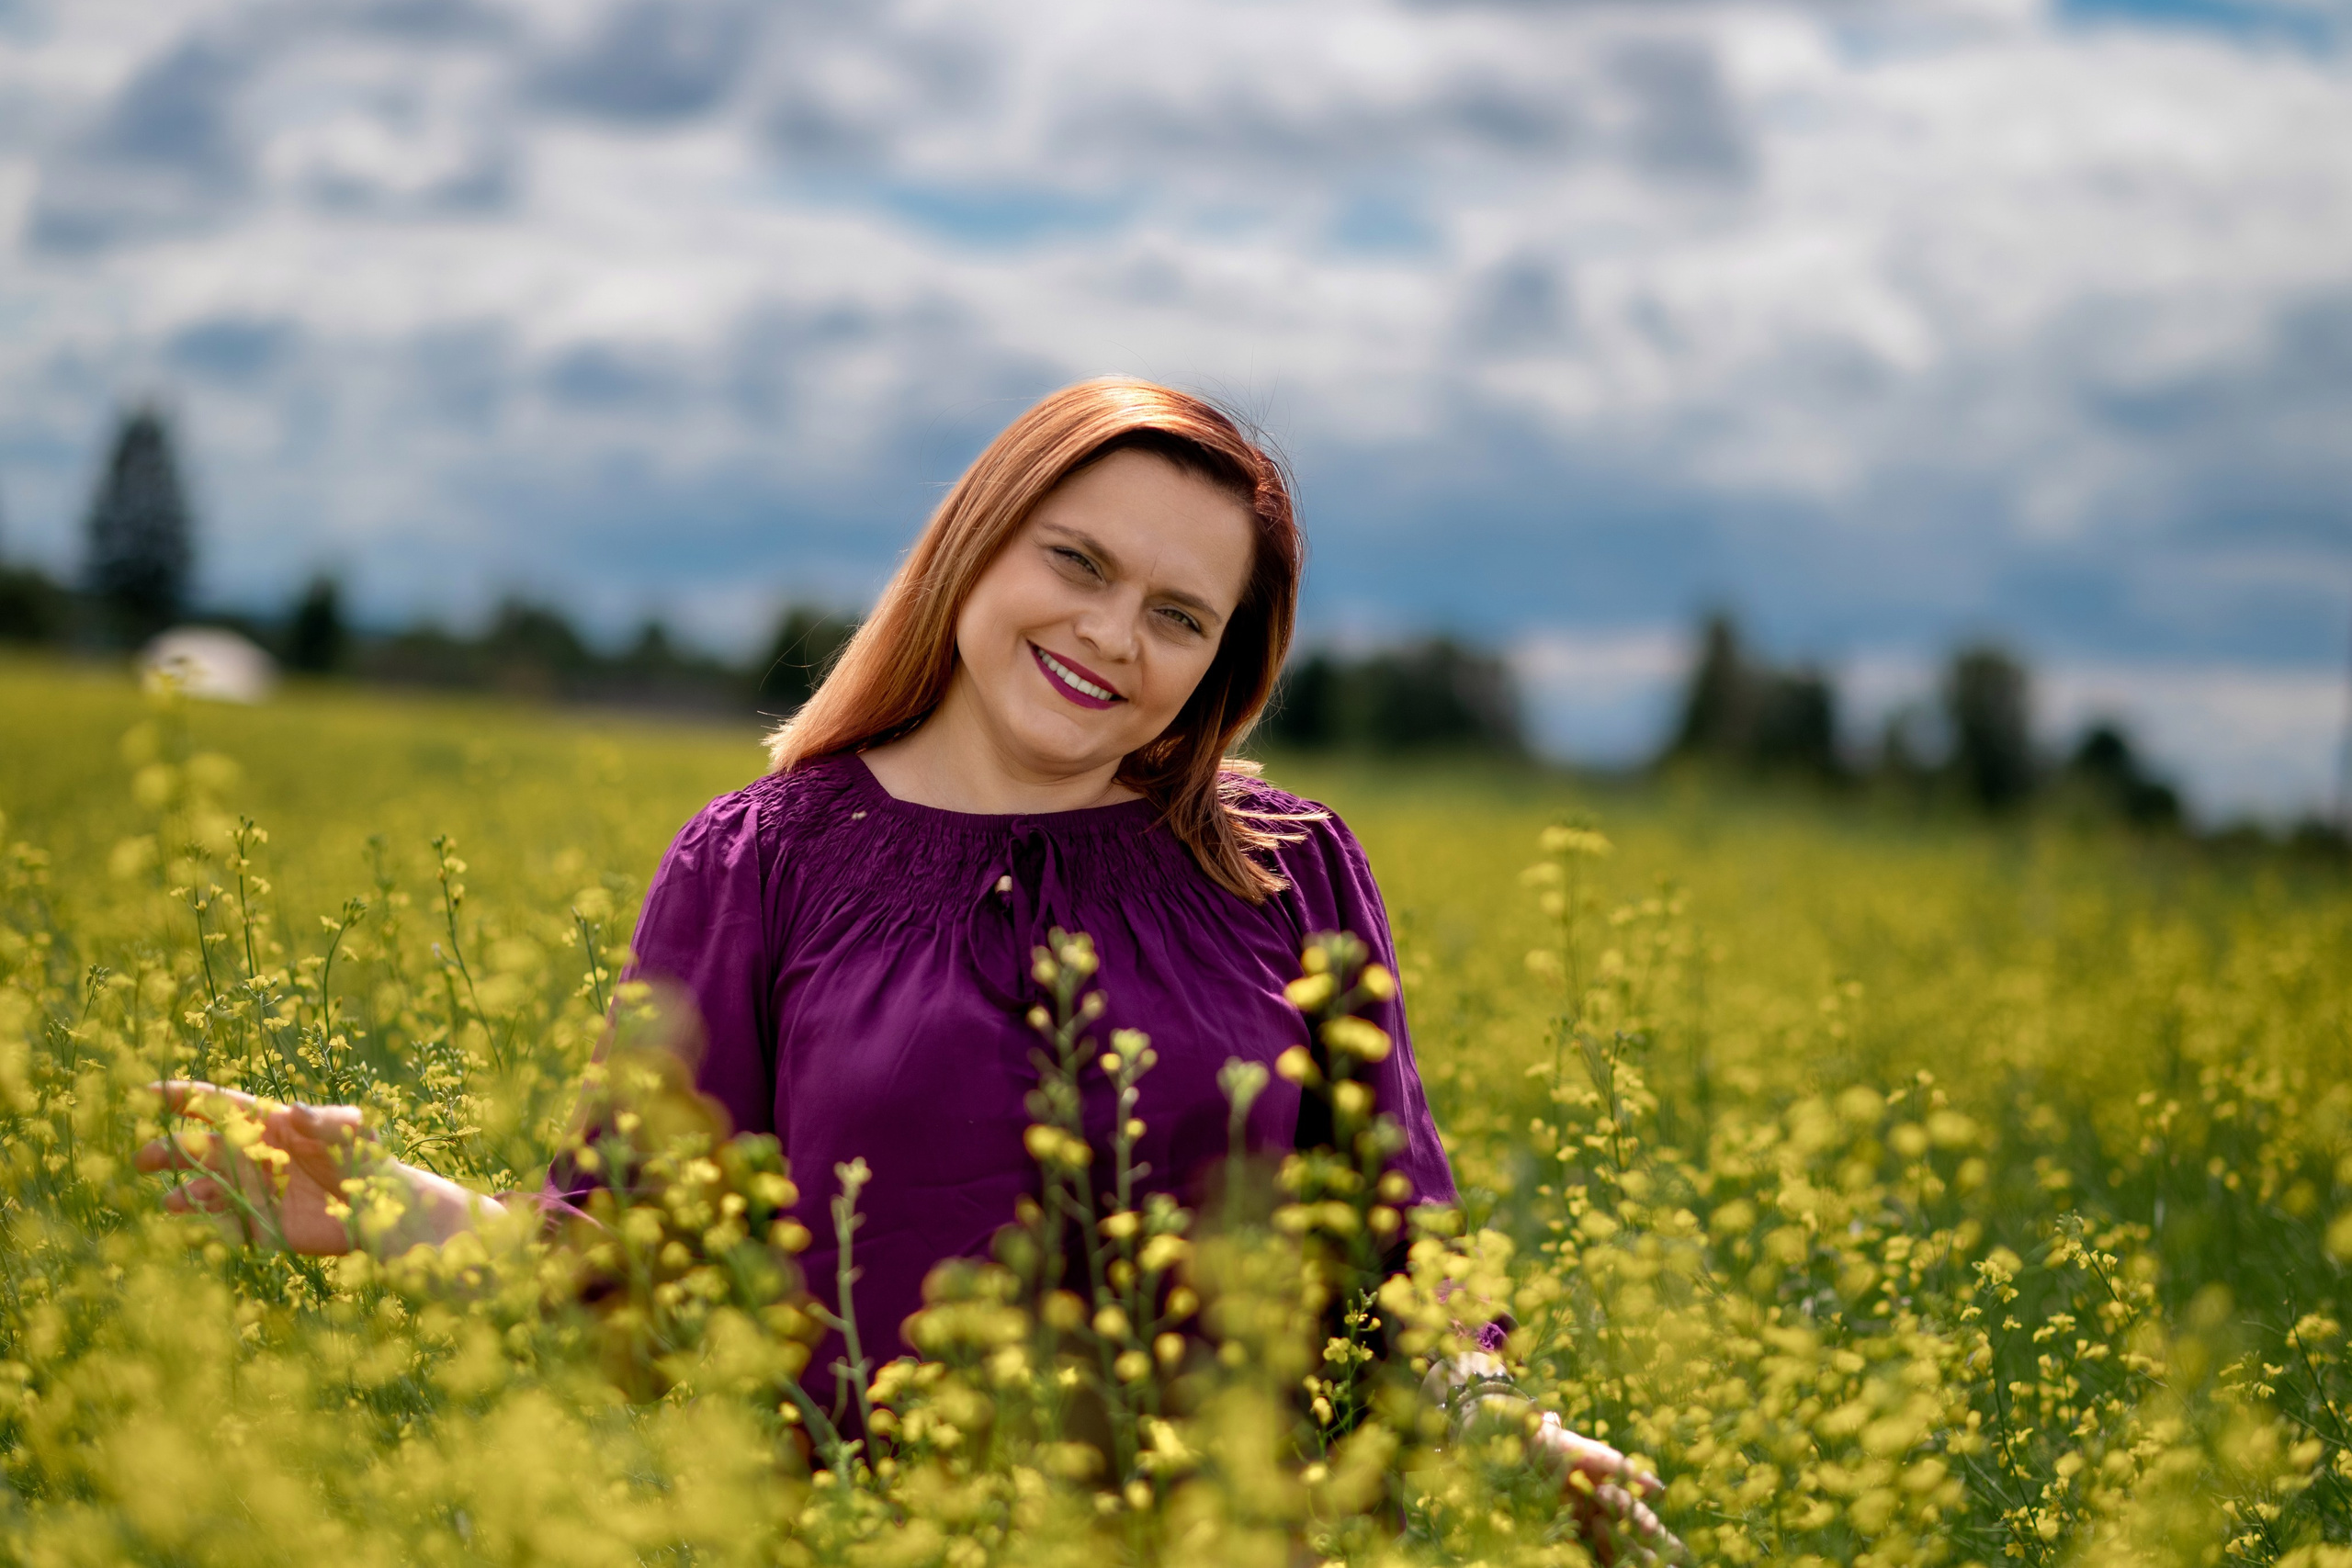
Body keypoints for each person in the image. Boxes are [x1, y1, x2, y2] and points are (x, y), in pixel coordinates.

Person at [138, 378, 1668, 1553]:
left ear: (1224, 659)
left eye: (1178, 615)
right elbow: (642, 1271)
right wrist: (390, 1214)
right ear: (975, 543)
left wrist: (1502, 1425)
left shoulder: (1286, 870)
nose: (1112, 635)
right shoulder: (761, 864)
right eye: (1076, 560)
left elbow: (1405, 1249)